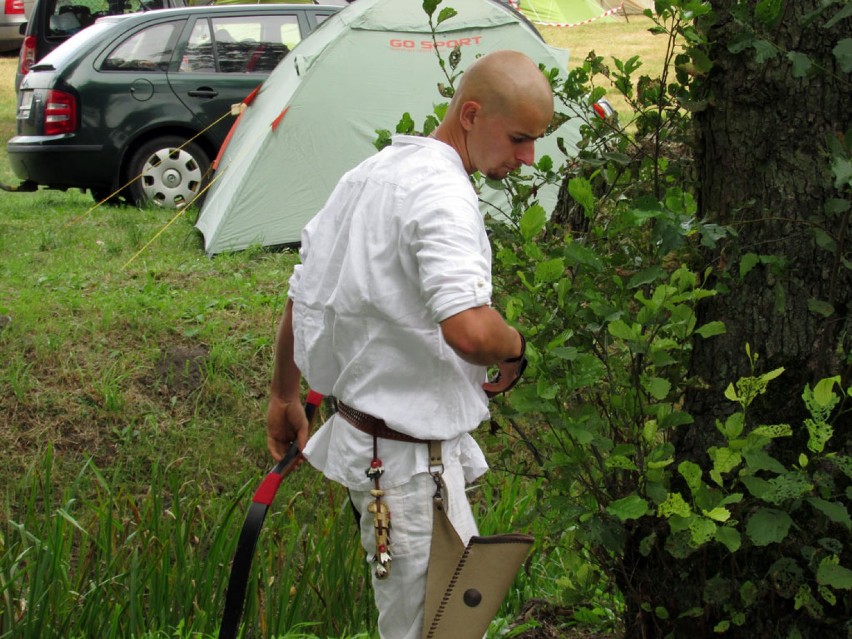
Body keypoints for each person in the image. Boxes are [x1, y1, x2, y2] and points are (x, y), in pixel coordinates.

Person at [266, 49, 554, 639]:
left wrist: (283, 393)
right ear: (470, 114)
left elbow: (306, 291)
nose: (527, 159)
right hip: (406, 469)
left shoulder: (372, 173)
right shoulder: (443, 194)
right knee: (431, 632)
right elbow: (470, 330)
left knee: (445, 621)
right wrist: (516, 347)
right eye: (520, 139)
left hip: (386, 454)